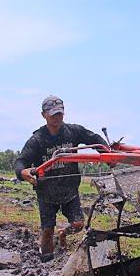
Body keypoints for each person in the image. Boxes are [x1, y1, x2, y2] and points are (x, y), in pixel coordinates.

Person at [15, 95, 108, 262]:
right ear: (43, 115)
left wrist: (108, 153)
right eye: (53, 114)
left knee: (78, 225)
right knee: (47, 230)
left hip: (70, 190)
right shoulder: (37, 140)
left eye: (60, 113)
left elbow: (95, 140)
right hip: (46, 193)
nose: (57, 117)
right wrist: (23, 172)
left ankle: (63, 233)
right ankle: (45, 262)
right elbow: (21, 162)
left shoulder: (73, 132)